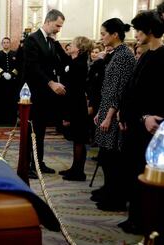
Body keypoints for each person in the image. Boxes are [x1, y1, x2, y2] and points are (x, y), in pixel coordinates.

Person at [118, 10, 164, 235]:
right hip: (135, 124)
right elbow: (131, 90)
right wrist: (124, 115)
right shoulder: (146, 55)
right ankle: (134, 217)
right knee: (132, 171)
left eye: (138, 30)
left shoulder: (163, 57)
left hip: (151, 128)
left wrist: (146, 117)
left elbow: (157, 96)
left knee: (145, 174)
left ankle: (143, 221)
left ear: (150, 31)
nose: (135, 34)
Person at [93, 18, 135, 212]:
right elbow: (107, 87)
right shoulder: (115, 53)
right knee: (105, 155)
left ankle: (115, 197)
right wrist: (101, 111)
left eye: (103, 34)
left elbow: (120, 90)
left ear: (114, 35)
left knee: (112, 159)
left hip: (114, 112)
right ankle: (108, 190)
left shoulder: (124, 55)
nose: (101, 38)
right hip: (106, 108)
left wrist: (109, 115)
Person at [23, 9, 68, 176]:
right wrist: (50, 83)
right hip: (33, 93)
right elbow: (33, 67)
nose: (58, 29)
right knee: (31, 131)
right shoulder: (32, 39)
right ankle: (27, 165)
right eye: (57, 25)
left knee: (40, 130)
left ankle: (38, 162)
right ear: (48, 21)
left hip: (45, 95)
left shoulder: (51, 41)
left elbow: (58, 63)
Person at [59, 36, 93, 181]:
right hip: (76, 104)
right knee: (77, 138)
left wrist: (67, 115)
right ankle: (75, 168)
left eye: (71, 44)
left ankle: (79, 172)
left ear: (78, 48)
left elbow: (72, 91)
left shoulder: (78, 64)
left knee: (79, 139)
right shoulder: (76, 62)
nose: (69, 46)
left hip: (76, 105)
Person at [0, 37, 19, 124]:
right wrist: (3, 73)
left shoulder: (15, 54)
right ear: (2, 44)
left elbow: (18, 67)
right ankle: (1, 120)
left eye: (7, 42)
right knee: (2, 101)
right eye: (4, 42)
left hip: (12, 83)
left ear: (10, 43)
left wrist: (11, 74)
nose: (6, 44)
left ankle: (12, 120)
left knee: (12, 102)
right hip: (1, 83)